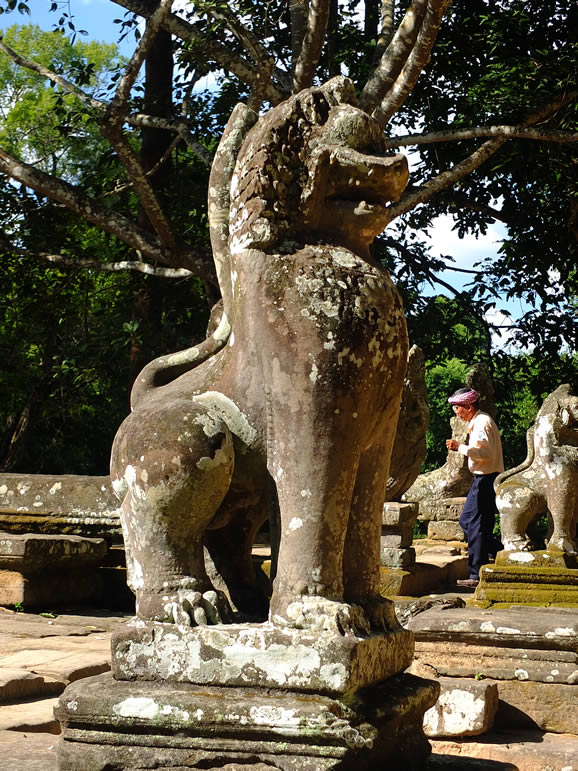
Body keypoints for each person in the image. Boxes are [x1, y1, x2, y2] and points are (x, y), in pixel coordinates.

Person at [446, 386, 504, 588]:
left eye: (458, 409)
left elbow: (484, 453)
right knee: (471, 523)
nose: (457, 413)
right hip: (484, 478)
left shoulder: (481, 423)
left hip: (486, 479)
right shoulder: (480, 421)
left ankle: (475, 574)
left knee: (474, 525)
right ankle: (500, 551)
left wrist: (459, 447)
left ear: (468, 406)